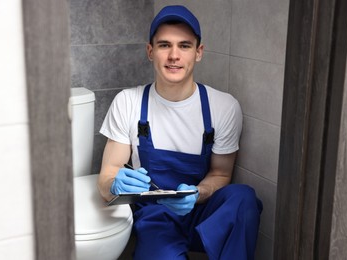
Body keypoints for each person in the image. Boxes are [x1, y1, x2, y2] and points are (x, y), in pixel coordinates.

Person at [97, 5, 262, 260]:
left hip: (201, 212)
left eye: (184, 46)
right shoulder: (128, 102)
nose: (174, 55)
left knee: (244, 199)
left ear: (199, 52)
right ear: (150, 51)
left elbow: (221, 173)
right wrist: (115, 185)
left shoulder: (223, 106)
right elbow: (107, 177)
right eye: (164, 45)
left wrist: (198, 194)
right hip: (154, 216)